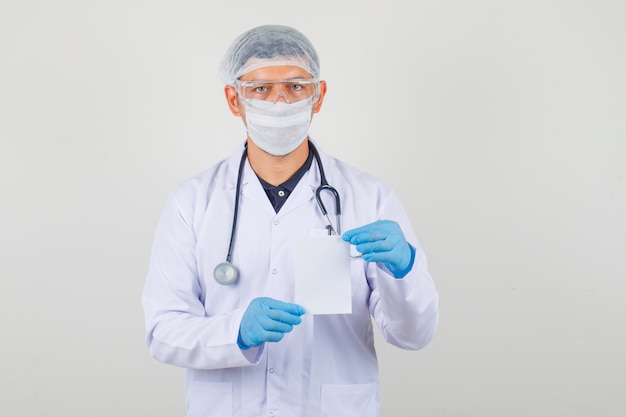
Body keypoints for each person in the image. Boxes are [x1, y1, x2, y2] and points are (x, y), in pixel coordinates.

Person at [142, 24, 439, 417]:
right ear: (234, 99)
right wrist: (235, 332)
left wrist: (405, 272)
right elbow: (162, 330)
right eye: (261, 89)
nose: (280, 102)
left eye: (296, 86)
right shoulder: (192, 201)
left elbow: (413, 336)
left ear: (319, 95)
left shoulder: (370, 197)